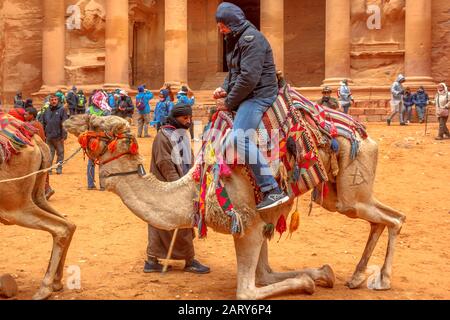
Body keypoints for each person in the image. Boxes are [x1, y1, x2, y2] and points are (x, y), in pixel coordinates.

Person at [214, 2, 289, 211]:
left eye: (222, 25)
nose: (220, 29)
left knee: (238, 138)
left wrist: (229, 102)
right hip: (248, 93)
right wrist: (223, 88)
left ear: (232, 22)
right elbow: (234, 72)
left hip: (258, 95)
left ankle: (271, 189)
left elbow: (248, 79)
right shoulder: (236, 39)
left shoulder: (251, 40)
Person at [145, 103, 210, 274]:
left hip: (178, 185)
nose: (188, 121)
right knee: (177, 223)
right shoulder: (163, 136)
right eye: (184, 118)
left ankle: (152, 260)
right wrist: (179, 186)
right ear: (176, 118)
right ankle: (188, 261)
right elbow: (164, 163)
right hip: (167, 187)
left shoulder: (180, 134)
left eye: (189, 118)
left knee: (164, 224)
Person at [24, 107, 56, 200]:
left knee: (39, 172)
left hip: (37, 151)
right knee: (41, 172)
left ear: (32, 115)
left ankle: (46, 190)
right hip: (40, 150)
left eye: (26, 114)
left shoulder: (33, 125)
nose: (24, 115)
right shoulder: (37, 124)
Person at [85, 93, 110, 190]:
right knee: (102, 162)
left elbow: (85, 124)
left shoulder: (88, 110)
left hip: (91, 140)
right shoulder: (106, 111)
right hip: (102, 140)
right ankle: (103, 185)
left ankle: (90, 185)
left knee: (91, 162)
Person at [41, 94, 68, 175]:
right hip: (49, 137)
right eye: (52, 100)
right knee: (50, 154)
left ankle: (59, 168)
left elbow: (65, 123)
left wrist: (64, 135)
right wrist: (44, 134)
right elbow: (43, 122)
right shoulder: (46, 110)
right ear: (49, 101)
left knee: (60, 153)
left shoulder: (62, 110)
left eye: (55, 100)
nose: (54, 101)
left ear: (58, 100)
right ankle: (49, 169)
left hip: (58, 136)